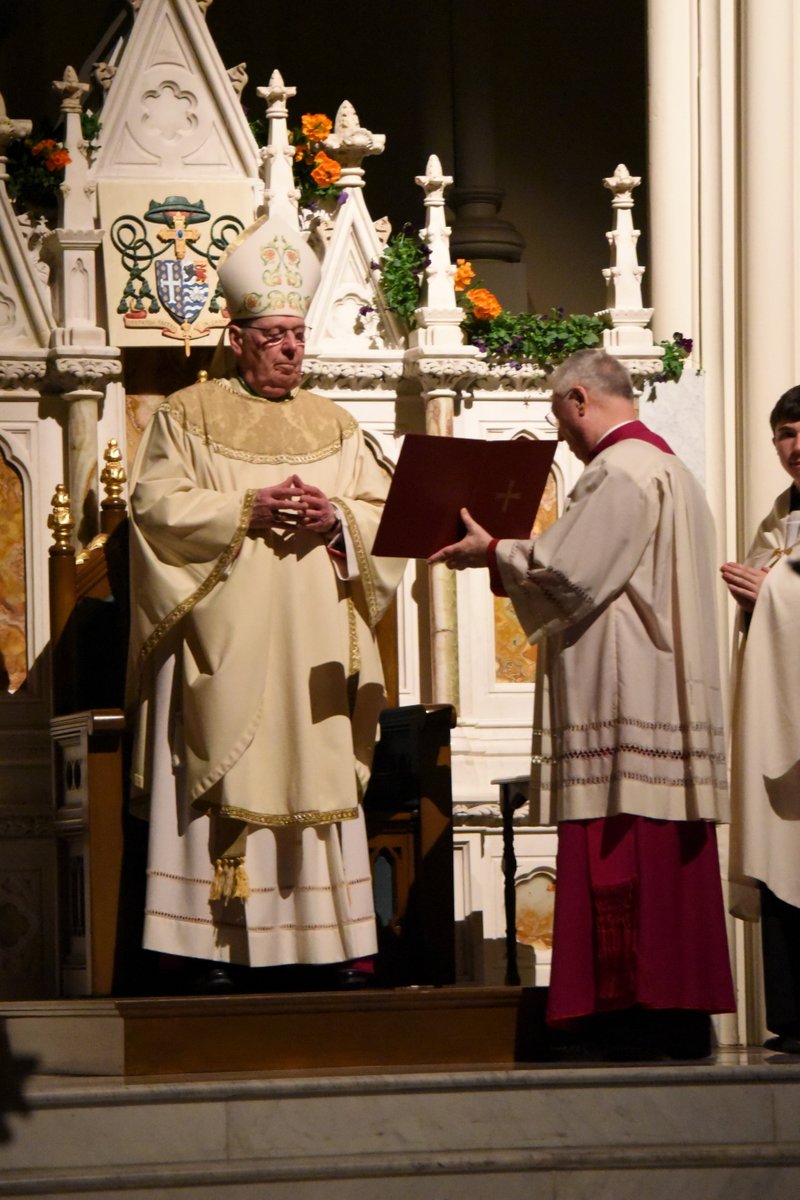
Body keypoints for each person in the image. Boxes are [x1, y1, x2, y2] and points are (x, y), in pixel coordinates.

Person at [429, 348, 735, 1058]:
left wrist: (493, 552)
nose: (563, 437)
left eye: (559, 420)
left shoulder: (621, 472)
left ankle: (629, 1016)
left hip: (624, 700)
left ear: (577, 400)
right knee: (670, 868)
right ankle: (678, 1015)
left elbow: (570, 571)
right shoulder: (675, 472)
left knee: (621, 859)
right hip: (665, 696)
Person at [126, 212, 405, 991]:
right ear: (239, 336)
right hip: (228, 638)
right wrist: (241, 510)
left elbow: (388, 518)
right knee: (228, 751)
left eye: (298, 335)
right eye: (275, 334)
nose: (291, 348)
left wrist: (338, 519)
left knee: (313, 759)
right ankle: (213, 946)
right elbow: (153, 507)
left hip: (316, 642)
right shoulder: (189, 414)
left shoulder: (336, 424)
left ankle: (324, 940)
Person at [722, 386, 800, 1052]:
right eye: (784, 433)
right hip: (781, 719)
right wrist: (756, 598)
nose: (794, 447)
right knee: (781, 858)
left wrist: (773, 592)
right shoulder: (777, 517)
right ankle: (791, 1018)